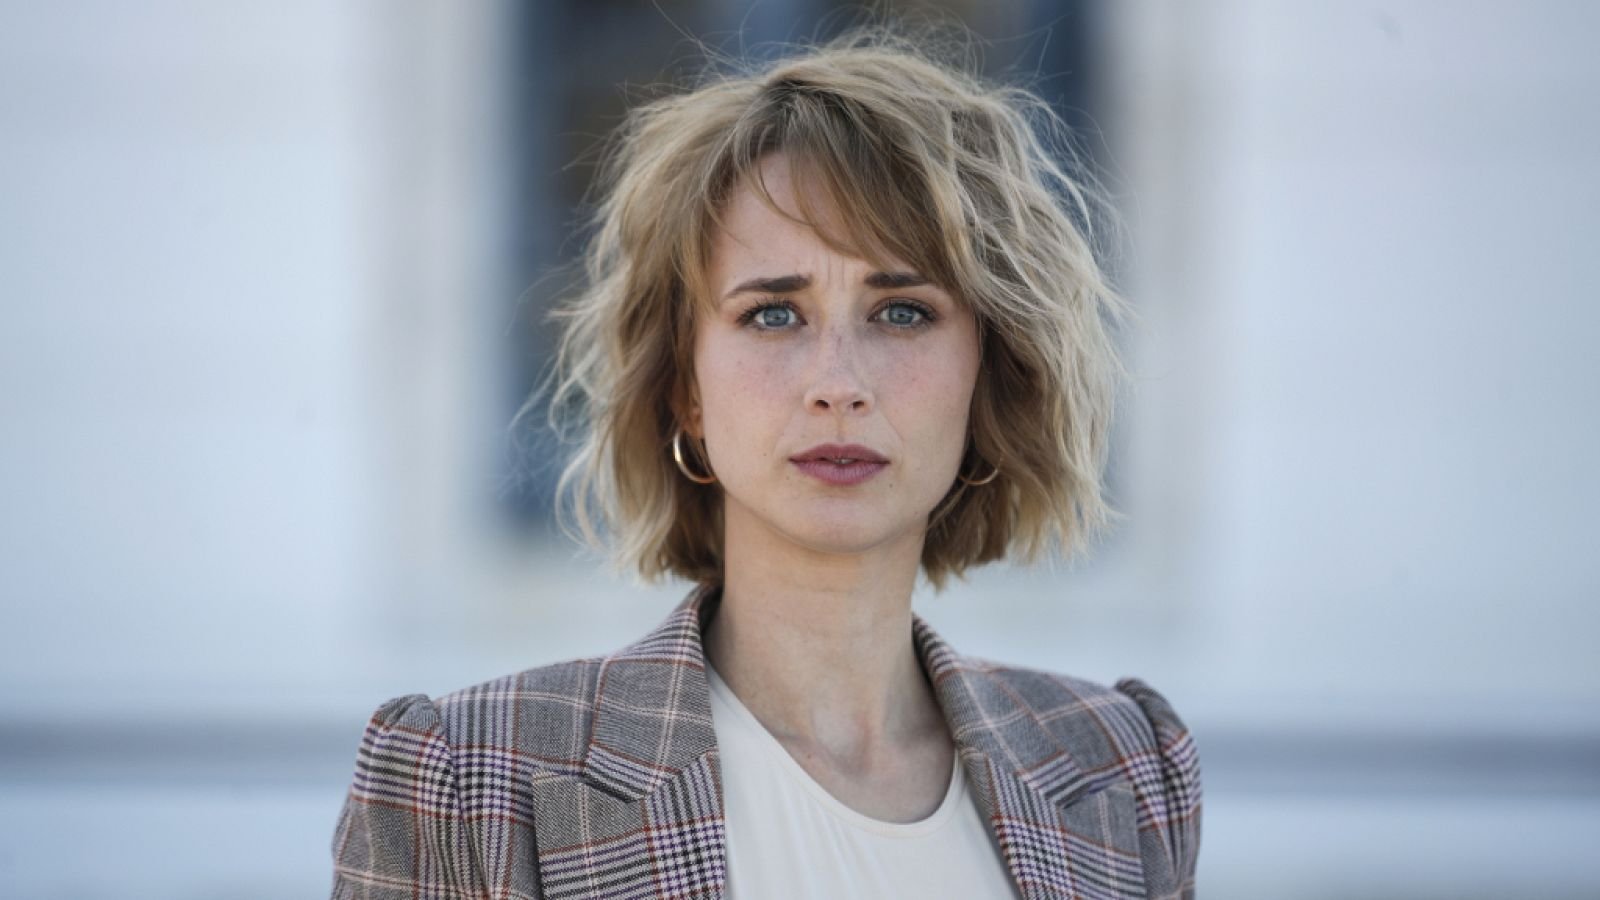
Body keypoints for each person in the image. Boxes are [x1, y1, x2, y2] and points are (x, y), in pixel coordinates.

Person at [329, 25, 1201, 900]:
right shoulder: (469, 782)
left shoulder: (1124, 772)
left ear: (988, 372)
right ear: (686, 389)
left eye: (902, 312)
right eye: (773, 316)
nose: (838, 385)